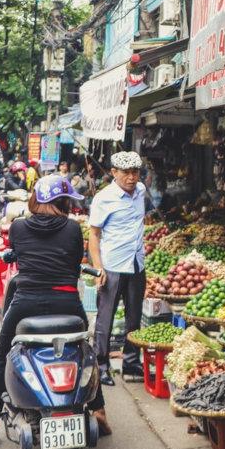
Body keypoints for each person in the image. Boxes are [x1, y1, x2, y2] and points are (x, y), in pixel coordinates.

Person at [0, 175, 110, 443]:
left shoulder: (17, 228)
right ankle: (98, 411)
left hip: (25, 303)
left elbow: (15, 252)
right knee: (86, 350)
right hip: (67, 303)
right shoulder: (73, 230)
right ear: (62, 201)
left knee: (0, 355)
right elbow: (76, 260)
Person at [88, 151, 146, 385]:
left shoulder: (141, 191)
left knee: (134, 317)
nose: (131, 178)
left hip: (136, 264)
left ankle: (132, 362)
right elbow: (93, 234)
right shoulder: (104, 198)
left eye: (135, 172)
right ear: (114, 173)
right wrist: (98, 268)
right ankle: (101, 365)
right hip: (112, 265)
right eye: (126, 173)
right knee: (105, 319)